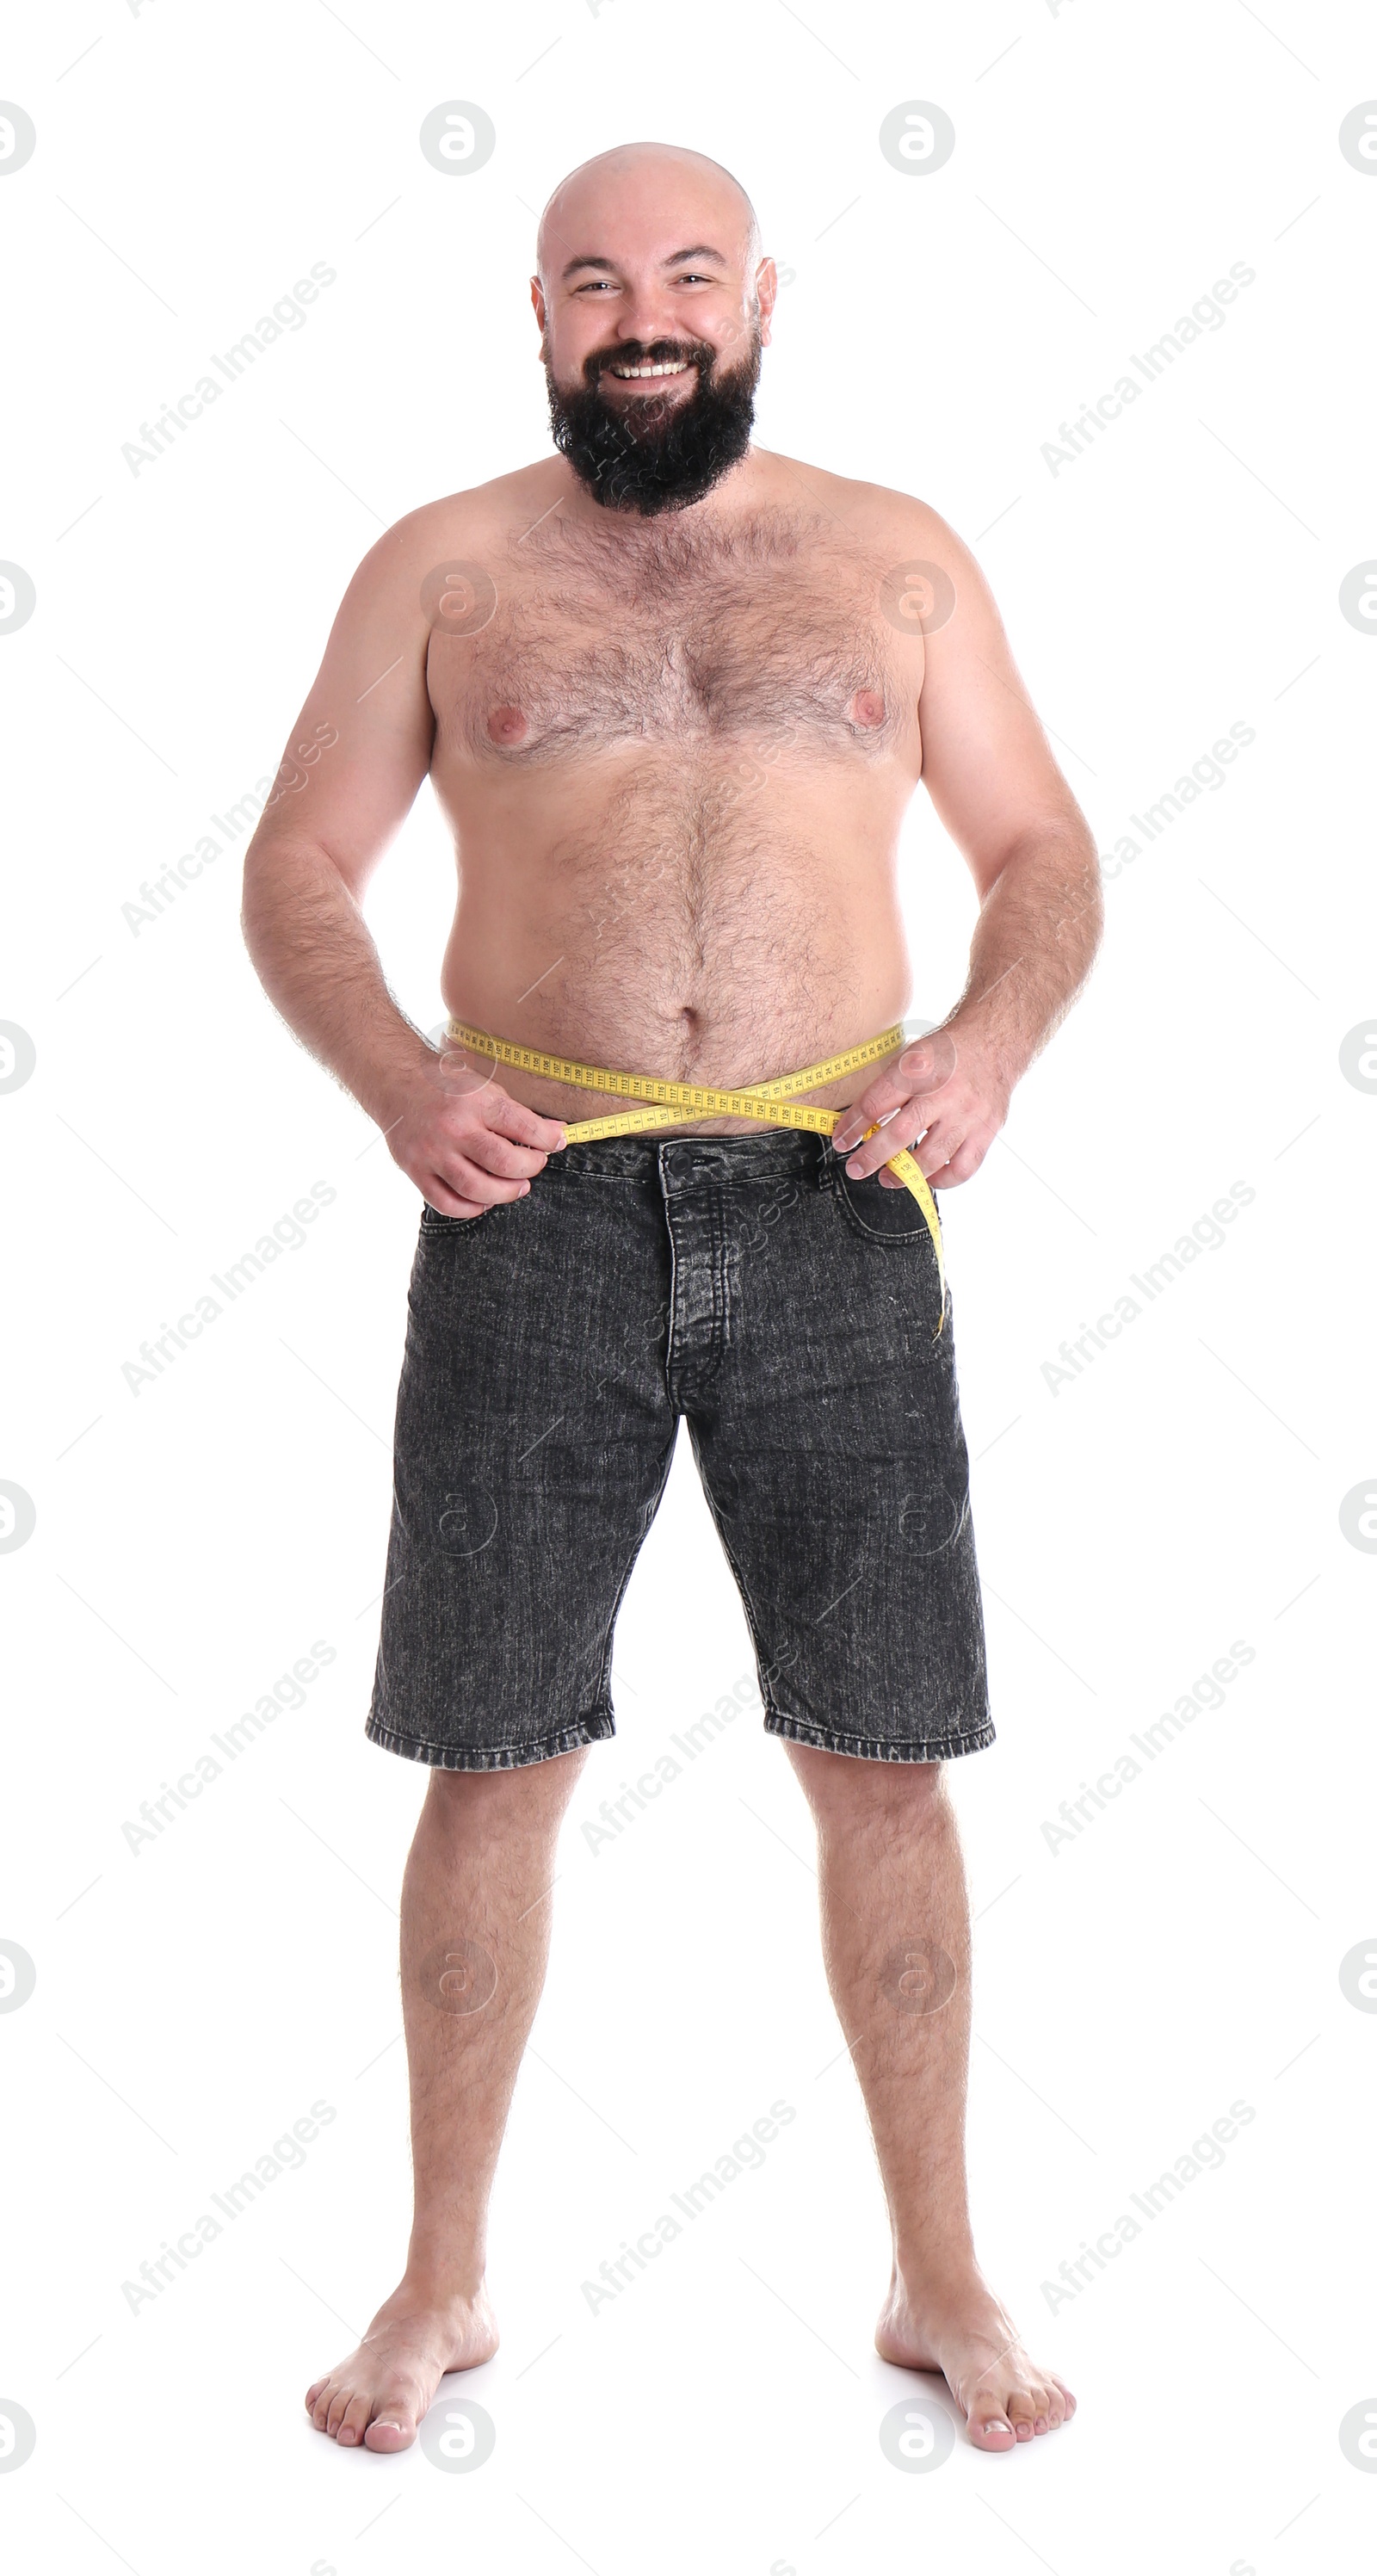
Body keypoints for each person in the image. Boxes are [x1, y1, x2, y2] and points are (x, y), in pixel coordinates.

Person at [241, 138, 1101, 2457]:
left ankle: (938, 2273)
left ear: (759, 298)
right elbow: (298, 865)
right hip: (529, 1214)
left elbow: (1041, 851)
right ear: (538, 315)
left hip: (840, 1200)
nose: (647, 312)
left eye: (688, 274)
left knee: (888, 1758)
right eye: (597, 279)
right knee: (490, 1754)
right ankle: (440, 2283)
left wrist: (992, 1040)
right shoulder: (443, 571)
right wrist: (401, 1087)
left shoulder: (895, 560)